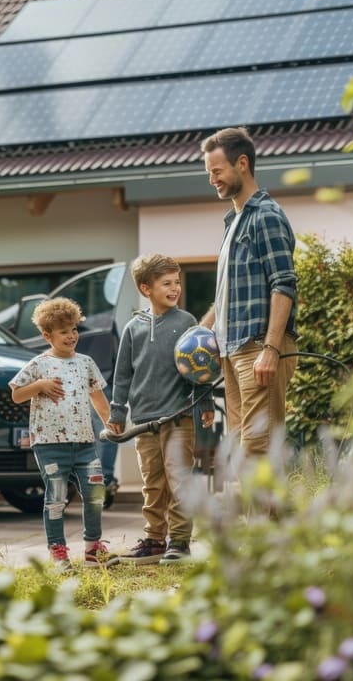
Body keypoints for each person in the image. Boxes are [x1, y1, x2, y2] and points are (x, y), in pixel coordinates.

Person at [108, 254, 214, 564]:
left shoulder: (186, 322)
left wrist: (205, 402)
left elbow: (201, 366)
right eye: (166, 283)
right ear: (146, 289)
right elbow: (122, 374)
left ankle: (179, 541)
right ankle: (154, 538)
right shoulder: (132, 328)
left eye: (177, 282)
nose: (175, 288)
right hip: (143, 421)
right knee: (152, 482)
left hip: (178, 417)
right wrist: (117, 412)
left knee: (179, 478)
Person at [200, 126, 298, 458]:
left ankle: (262, 513)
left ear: (242, 163)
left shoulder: (266, 216)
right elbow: (227, 294)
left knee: (258, 451)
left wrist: (271, 348)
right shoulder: (234, 221)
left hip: (257, 348)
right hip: (232, 351)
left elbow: (283, 283)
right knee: (244, 455)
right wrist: (200, 332)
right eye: (209, 172)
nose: (212, 179)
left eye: (217, 171)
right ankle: (259, 513)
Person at [9, 296, 117, 570]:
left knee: (94, 493)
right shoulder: (38, 365)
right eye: (63, 332)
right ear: (48, 336)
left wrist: (110, 423)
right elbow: (17, 394)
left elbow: (98, 398)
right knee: (56, 497)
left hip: (83, 442)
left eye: (74, 330)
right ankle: (58, 551)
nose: (71, 336)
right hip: (49, 444)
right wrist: (40, 385)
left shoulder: (86, 363)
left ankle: (93, 549)